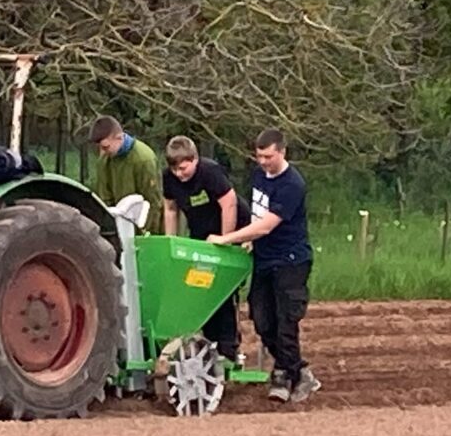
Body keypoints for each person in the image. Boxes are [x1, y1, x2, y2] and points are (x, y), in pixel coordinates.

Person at [207, 129, 319, 403]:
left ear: (282, 152)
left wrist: (227, 239)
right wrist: (250, 243)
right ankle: (300, 371)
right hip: (264, 259)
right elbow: (257, 215)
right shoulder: (258, 177)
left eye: (268, 156)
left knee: (285, 323)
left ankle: (286, 376)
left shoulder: (292, 184)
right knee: (262, 320)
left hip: (290, 261)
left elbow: (267, 225)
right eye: (259, 156)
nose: (263, 162)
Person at [162, 136, 251, 361]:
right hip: (201, 233)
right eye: (175, 170)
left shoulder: (210, 173)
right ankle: (209, 342)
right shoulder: (169, 179)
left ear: (195, 160)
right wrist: (171, 242)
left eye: (183, 168)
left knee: (223, 288)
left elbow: (229, 203)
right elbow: (171, 209)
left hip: (230, 227)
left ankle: (229, 348)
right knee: (200, 284)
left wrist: (226, 240)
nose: (179, 174)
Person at [89, 115, 162, 233]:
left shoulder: (144, 159)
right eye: (100, 148)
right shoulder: (104, 160)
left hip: (143, 228)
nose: (102, 152)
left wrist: (147, 234)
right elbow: (105, 199)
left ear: (119, 138)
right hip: (119, 227)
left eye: (105, 147)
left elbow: (152, 203)